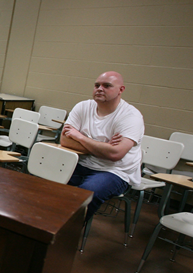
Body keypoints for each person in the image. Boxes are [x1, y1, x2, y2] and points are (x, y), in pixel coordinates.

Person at [60, 71, 144, 221]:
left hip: (115, 171)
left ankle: (65, 235)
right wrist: (103, 147)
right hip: (82, 163)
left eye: (107, 86)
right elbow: (65, 141)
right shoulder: (83, 107)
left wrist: (80, 137)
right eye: (97, 85)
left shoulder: (131, 117)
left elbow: (115, 155)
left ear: (121, 90)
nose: (99, 89)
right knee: (46, 182)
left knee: (86, 194)